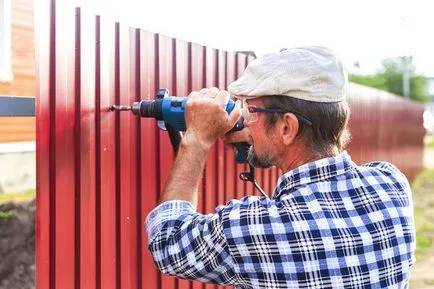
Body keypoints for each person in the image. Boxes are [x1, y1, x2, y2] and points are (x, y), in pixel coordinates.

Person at [145, 46, 416, 288]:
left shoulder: (256, 228)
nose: (244, 119)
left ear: (287, 127)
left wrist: (197, 139)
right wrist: (264, 139)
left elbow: (169, 242)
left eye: (251, 110)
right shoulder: (391, 184)